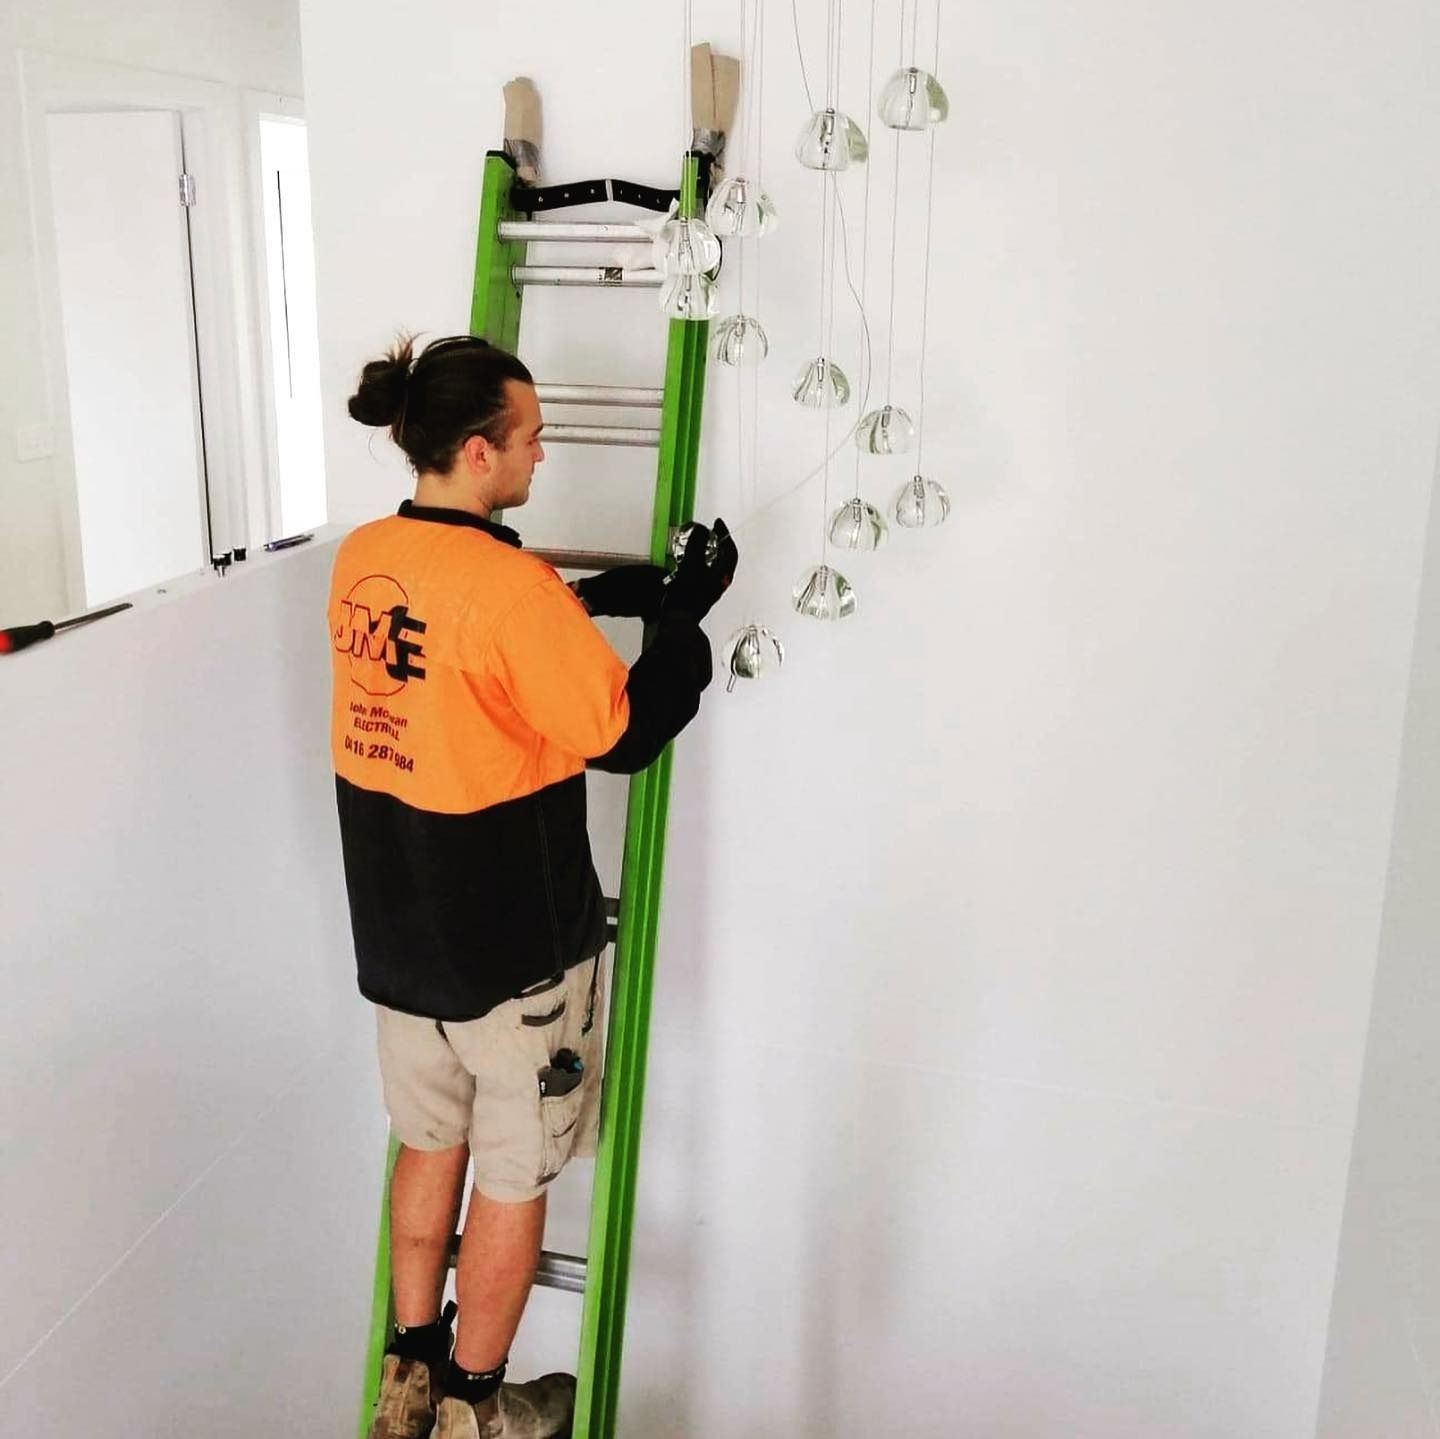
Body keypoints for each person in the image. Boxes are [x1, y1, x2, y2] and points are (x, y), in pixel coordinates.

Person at [329, 334, 737, 1439]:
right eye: (531, 436)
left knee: (427, 1144)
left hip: (400, 941)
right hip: (513, 958)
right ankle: (474, 1409)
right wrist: (684, 620)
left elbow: (461, 646)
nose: (544, 453)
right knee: (512, 1173)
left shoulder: (365, 557)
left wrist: (592, 597)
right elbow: (626, 735)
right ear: (477, 452)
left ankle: (406, 1374)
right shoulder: (512, 591)